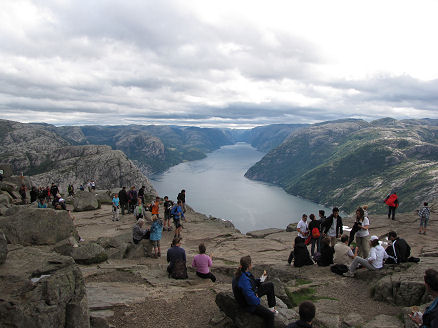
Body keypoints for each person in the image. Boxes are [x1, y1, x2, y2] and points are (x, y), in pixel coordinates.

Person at [232, 255, 278, 328]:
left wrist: (261, 279)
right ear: (249, 266)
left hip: (250, 294)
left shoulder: (242, 272)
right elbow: (250, 298)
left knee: (270, 285)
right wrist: (257, 298)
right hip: (247, 304)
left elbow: (251, 282)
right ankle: (271, 314)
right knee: (270, 316)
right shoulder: (243, 279)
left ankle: (272, 308)